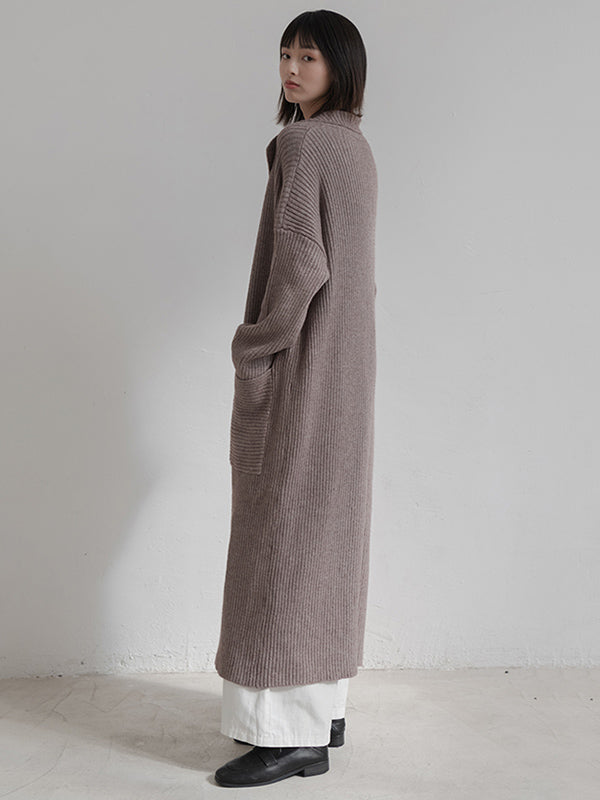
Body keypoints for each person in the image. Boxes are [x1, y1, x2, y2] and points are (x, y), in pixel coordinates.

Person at [214, 9, 378, 788]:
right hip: (348, 371)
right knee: (325, 536)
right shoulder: (355, 148)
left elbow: (301, 268)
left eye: (309, 56)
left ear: (340, 66)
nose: (291, 67)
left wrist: (256, 343)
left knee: (280, 542)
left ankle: (288, 737)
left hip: (306, 367)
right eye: (285, 53)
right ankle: (324, 712)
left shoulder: (305, 146)